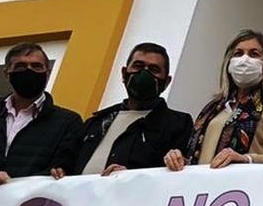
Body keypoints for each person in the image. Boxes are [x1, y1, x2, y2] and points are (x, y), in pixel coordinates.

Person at [164, 29, 263, 169]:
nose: (244, 59)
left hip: (247, 187)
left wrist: (246, 159)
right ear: (229, 64)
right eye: (238, 53)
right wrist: (178, 159)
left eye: (254, 54)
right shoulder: (212, 109)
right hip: (202, 188)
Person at [0, 43, 84, 185]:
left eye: (36, 66)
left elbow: (62, 171)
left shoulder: (67, 122)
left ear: (47, 73)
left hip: (29, 205)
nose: (29, 71)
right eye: (20, 66)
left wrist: (12, 183)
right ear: (7, 73)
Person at [74, 42, 195, 176]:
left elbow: (174, 174)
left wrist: (131, 178)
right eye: (138, 66)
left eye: (154, 70)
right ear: (124, 73)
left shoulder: (178, 125)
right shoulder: (96, 122)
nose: (144, 73)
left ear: (166, 82)